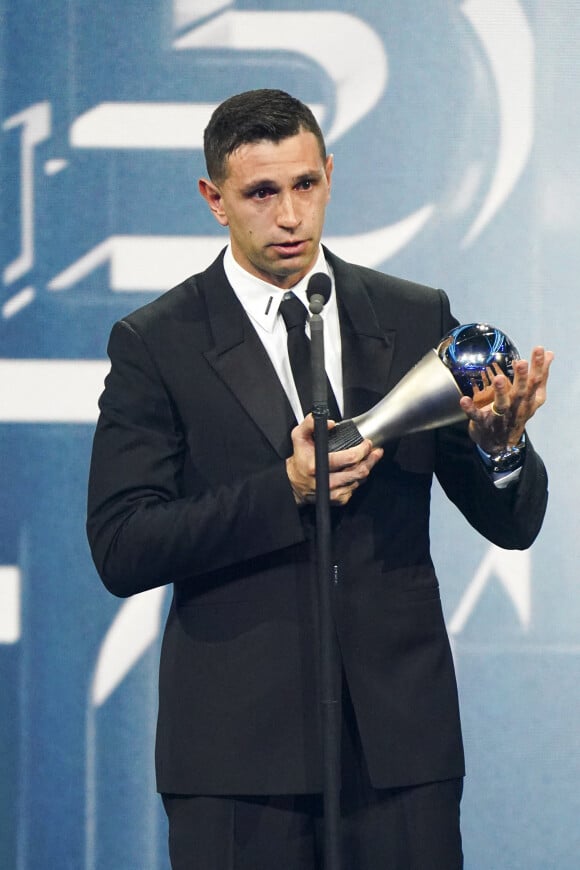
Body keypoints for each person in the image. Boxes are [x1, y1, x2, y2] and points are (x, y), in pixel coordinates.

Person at [86, 89, 553, 869]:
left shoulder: (410, 317)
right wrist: (287, 489)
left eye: (305, 185)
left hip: (402, 753)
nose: (291, 217)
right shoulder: (156, 344)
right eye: (261, 193)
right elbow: (122, 544)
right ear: (215, 199)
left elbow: (513, 523)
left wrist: (501, 451)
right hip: (237, 762)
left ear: (329, 174)